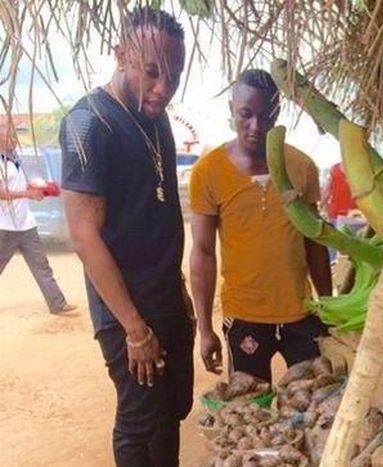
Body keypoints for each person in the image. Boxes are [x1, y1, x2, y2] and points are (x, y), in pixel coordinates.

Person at [59, 8, 193, 466]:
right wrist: (135, 328)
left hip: (166, 298)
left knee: (172, 411)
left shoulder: (157, 118)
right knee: (140, 421)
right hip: (127, 312)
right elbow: (83, 235)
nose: (163, 88)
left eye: (174, 75)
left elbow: (156, 212)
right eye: (152, 72)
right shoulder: (89, 123)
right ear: (121, 56)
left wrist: (178, 288)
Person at [189, 69, 332, 383]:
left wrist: (329, 307)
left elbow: (315, 242)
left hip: (302, 314)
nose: (256, 126)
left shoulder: (302, 167)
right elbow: (202, 253)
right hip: (244, 317)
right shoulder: (208, 172)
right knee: (249, 404)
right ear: (232, 109)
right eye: (246, 114)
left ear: (277, 113)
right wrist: (205, 329)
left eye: (266, 116)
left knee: (313, 401)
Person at [0, 121, 76, 314]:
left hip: (26, 224)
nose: (13, 140)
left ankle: (57, 304)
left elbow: (17, 187)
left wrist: (36, 190)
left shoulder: (15, 159)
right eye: (8, 136)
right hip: (6, 226)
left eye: (14, 136)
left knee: (41, 265)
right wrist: (27, 194)